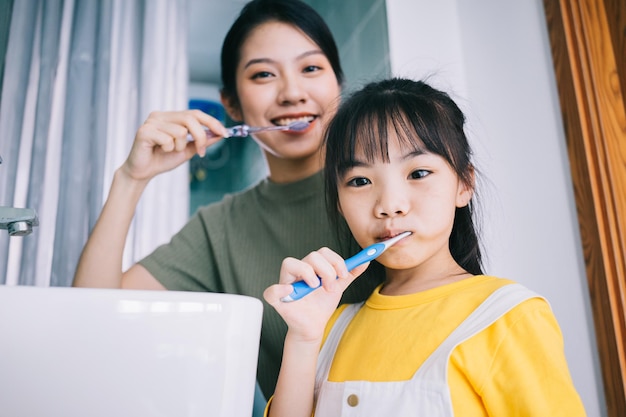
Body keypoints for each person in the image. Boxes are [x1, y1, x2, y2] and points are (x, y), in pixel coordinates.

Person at [72, 0, 384, 399]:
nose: (292, 93)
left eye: (310, 68)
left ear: (337, 85)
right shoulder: (220, 228)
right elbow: (91, 321)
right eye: (264, 74)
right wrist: (130, 179)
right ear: (232, 104)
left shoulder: (391, 192)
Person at [263, 78, 587, 416]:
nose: (389, 205)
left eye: (418, 173)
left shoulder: (507, 316)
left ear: (464, 184)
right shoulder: (329, 327)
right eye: (360, 181)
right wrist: (303, 338)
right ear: (340, 204)